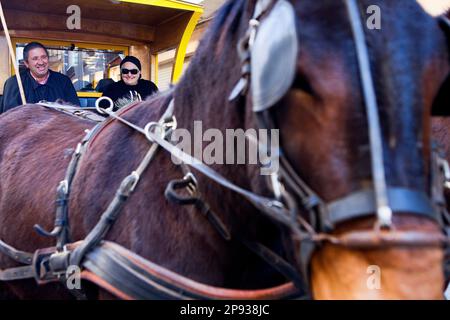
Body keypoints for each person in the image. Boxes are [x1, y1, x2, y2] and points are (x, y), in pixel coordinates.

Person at [1, 42, 80, 114]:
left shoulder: (63, 81)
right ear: (26, 63)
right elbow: (9, 119)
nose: (41, 62)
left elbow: (76, 112)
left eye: (43, 57)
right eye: (35, 58)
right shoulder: (14, 83)